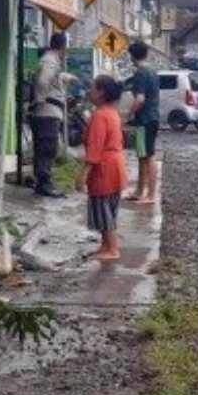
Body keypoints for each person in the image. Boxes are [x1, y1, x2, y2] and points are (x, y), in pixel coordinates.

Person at [74, 75, 129, 261]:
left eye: (93, 88)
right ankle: (105, 246)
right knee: (106, 207)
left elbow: (96, 148)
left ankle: (112, 249)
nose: (89, 91)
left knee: (104, 209)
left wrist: (83, 175)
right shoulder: (111, 112)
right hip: (115, 164)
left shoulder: (100, 116)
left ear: (101, 93)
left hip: (104, 168)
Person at [30, 32, 69, 198]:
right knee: (47, 148)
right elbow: (43, 81)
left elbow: (50, 79)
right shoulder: (50, 60)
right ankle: (44, 183)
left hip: (48, 112)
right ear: (63, 47)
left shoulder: (50, 60)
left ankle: (42, 182)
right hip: (48, 112)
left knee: (44, 148)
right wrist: (40, 100)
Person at [125, 40, 160, 204]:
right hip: (148, 119)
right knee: (141, 155)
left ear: (132, 56)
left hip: (145, 120)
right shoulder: (152, 72)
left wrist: (127, 114)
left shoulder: (140, 73)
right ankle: (140, 191)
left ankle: (151, 195)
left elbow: (140, 99)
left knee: (149, 156)